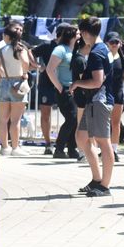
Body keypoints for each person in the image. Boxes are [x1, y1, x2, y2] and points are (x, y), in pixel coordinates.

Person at [71, 17, 115, 197]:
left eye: (81, 33)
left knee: (104, 142)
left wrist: (77, 83)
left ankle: (104, 185)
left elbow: (97, 82)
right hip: (95, 101)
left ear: (86, 33)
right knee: (81, 137)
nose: (81, 37)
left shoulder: (97, 53)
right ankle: (97, 179)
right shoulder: (102, 47)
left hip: (99, 100)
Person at [0, 22, 33, 155]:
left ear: (7, 36)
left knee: (3, 119)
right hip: (18, 83)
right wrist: (25, 74)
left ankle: (4, 147)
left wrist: (1, 81)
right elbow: (26, 62)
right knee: (15, 120)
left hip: (4, 82)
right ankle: (15, 147)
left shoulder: (1, 50)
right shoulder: (21, 49)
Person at [46, 24, 80, 159]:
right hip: (64, 89)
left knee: (76, 119)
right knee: (71, 118)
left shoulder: (76, 49)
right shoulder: (60, 49)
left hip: (76, 89)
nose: (80, 35)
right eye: (77, 33)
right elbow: (50, 69)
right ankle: (59, 148)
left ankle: (72, 148)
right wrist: (59, 87)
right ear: (71, 35)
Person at [104, 32, 124, 158]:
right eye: (112, 42)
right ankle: (105, 148)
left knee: (116, 122)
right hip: (105, 92)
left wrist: (122, 79)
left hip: (118, 92)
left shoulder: (123, 58)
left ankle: (113, 150)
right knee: (104, 123)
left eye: (116, 42)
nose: (114, 45)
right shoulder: (103, 56)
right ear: (107, 43)